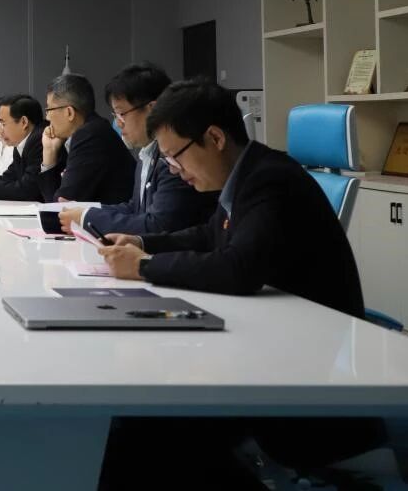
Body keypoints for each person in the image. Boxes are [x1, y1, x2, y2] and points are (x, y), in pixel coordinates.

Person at [95, 79, 383, 488]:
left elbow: (237, 269)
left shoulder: (271, 181)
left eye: (175, 157)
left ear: (214, 138)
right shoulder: (247, 176)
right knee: (140, 417)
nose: (175, 170)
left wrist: (145, 267)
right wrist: (143, 243)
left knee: (143, 432)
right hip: (269, 348)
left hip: (300, 379)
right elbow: (208, 236)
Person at [56, 63, 216, 235]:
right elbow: (136, 207)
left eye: (121, 114)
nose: (118, 123)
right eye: (115, 115)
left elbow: (158, 225)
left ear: (152, 109)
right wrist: (84, 210)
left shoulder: (173, 157)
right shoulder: (146, 153)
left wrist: (86, 217)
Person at [38, 73, 134, 205]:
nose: (47, 117)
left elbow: (60, 206)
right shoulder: (91, 130)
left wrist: (48, 156)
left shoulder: (90, 136)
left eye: (49, 109)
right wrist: (50, 151)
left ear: (69, 112)